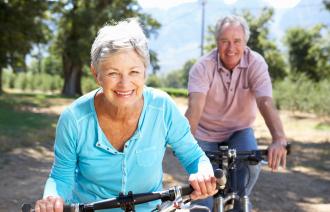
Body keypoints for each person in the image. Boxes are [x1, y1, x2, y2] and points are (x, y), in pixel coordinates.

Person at [34, 18, 217, 212]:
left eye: (134, 72)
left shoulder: (162, 108)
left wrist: (203, 172)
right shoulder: (73, 119)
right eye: (113, 73)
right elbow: (61, 176)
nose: (125, 84)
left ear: (145, 72)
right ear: (96, 74)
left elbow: (194, 157)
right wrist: (52, 198)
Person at [185, 15, 288, 211]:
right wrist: (185, 143)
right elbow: (195, 107)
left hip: (239, 130)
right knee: (201, 197)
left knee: (249, 173)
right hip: (205, 132)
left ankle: (238, 202)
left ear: (245, 42)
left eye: (237, 41)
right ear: (217, 43)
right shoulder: (202, 67)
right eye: (225, 41)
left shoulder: (256, 63)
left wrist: (279, 138)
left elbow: (265, 101)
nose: (231, 48)